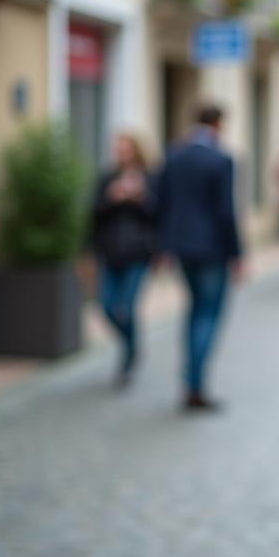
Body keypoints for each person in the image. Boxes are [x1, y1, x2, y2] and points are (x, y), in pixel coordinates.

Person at [156, 105, 242, 410]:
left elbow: (160, 202)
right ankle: (195, 386)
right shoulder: (221, 160)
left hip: (182, 247)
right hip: (213, 250)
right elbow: (226, 212)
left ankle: (189, 381)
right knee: (209, 313)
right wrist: (237, 254)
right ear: (217, 123)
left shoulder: (173, 155)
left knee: (194, 311)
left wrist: (163, 246)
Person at [89, 131, 157, 387]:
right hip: (109, 252)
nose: (120, 153)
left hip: (138, 254)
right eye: (118, 148)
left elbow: (159, 214)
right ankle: (131, 345)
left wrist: (140, 198)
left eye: (125, 148)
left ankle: (128, 358)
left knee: (126, 308)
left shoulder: (150, 178)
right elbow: (94, 214)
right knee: (106, 306)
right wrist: (111, 198)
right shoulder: (107, 178)